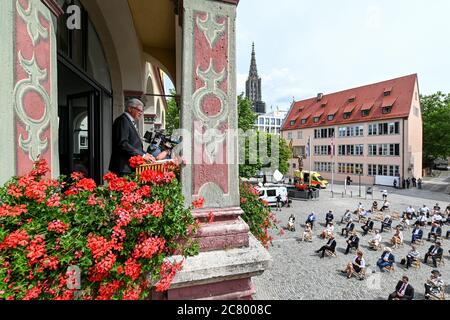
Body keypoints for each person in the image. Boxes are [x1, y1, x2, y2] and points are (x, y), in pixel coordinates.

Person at [109, 98, 156, 176]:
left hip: (128, 167)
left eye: (142, 111)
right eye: (139, 110)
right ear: (130, 109)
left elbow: (134, 145)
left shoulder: (129, 121)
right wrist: (143, 155)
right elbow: (123, 143)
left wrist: (146, 154)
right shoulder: (123, 120)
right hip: (123, 167)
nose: (141, 113)